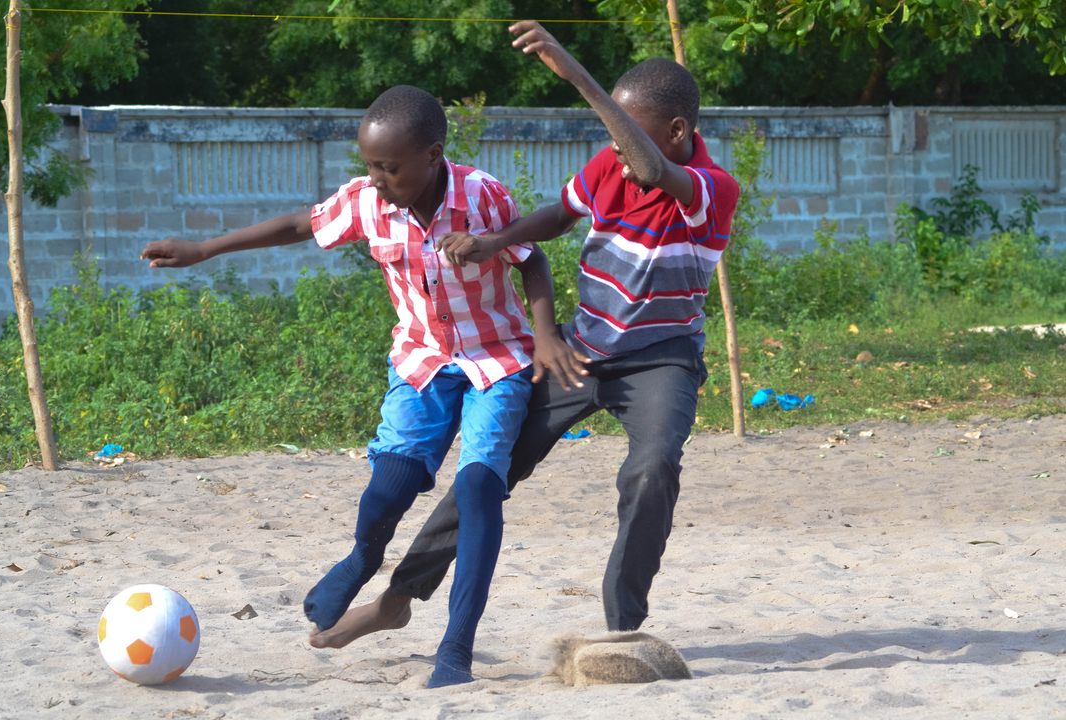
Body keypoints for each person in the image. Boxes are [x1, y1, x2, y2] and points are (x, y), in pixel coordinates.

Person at [139, 84, 586, 687]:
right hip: (422, 360)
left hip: (496, 360)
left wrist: (545, 335)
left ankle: (455, 649)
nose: (376, 178)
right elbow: (299, 224)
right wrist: (204, 249)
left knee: (479, 488)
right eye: (370, 165)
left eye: (389, 167)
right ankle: (362, 557)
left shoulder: (482, 196)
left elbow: (530, 259)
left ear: (433, 155)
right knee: (389, 485)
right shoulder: (366, 201)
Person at [312, 22, 739, 649]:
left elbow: (650, 167)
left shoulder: (711, 190)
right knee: (484, 477)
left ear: (677, 132)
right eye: (614, 137)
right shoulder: (610, 165)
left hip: (660, 360)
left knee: (652, 469)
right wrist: (497, 242)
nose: (616, 150)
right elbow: (560, 216)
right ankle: (396, 600)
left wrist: (576, 75)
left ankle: (621, 627)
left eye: (626, 133)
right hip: (582, 349)